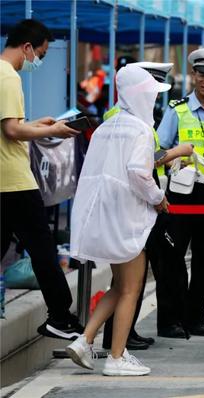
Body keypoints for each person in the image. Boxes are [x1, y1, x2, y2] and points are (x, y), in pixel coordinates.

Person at [66, 64, 170, 376]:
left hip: (104, 217)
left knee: (118, 285)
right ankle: (116, 357)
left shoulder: (106, 127)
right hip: (127, 220)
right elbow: (139, 173)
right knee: (131, 288)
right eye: (151, 94)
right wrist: (158, 198)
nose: (153, 100)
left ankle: (84, 340)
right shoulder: (140, 130)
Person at [101, 61, 195, 350]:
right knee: (133, 278)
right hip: (138, 203)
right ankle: (118, 340)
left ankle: (123, 333)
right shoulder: (124, 116)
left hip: (142, 201)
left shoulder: (135, 116)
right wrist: (176, 152)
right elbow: (142, 163)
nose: (155, 95)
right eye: (152, 88)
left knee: (139, 276)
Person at [0, 19, 83, 340]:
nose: (40, 61)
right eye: (42, 54)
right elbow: (11, 130)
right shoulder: (8, 77)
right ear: (26, 48)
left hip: (5, 179)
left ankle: (60, 316)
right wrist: (54, 130)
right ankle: (60, 316)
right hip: (15, 181)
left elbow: (12, 126)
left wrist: (36, 123)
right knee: (43, 249)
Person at [154, 48, 204, 338]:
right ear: (193, 75)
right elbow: (158, 152)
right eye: (202, 74)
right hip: (181, 192)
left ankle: (195, 317)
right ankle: (169, 320)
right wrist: (179, 154)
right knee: (172, 257)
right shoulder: (177, 111)